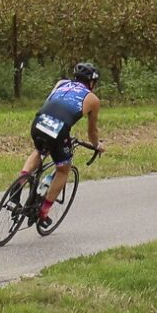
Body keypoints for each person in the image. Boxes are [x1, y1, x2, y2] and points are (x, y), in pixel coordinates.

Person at [22, 62, 103, 217]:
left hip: (39, 121)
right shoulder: (93, 99)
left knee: (39, 151)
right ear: (92, 82)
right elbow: (92, 131)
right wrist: (97, 145)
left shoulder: (61, 83)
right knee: (63, 170)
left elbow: (50, 103)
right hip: (58, 130)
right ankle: (43, 212)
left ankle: (18, 186)